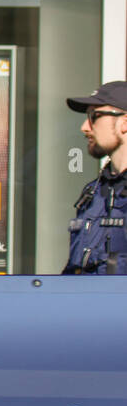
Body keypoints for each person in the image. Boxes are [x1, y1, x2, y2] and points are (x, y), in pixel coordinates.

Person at [63, 81, 127, 274]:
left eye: (94, 117)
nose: (85, 127)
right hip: (86, 302)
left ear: (125, 123)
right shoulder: (94, 192)